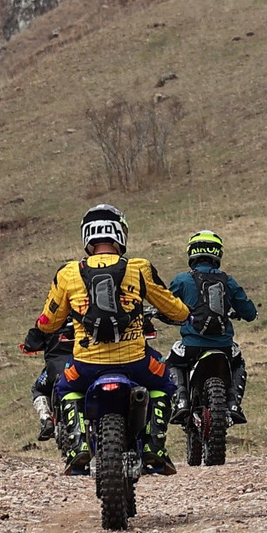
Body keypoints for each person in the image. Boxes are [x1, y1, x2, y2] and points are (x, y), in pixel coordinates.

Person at [21, 203, 192, 477]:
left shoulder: (68, 273)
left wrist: (38, 331)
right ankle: (153, 446)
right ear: (120, 235)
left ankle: (77, 448)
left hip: (86, 365)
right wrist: (184, 314)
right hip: (137, 362)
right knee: (165, 383)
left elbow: (49, 320)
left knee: (65, 388)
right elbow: (174, 308)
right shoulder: (139, 269)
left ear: (87, 237)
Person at [166, 230, 257, 425]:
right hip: (224, 346)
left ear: (192, 253)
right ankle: (234, 404)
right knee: (238, 363)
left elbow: (166, 305)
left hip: (191, 346)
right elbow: (249, 312)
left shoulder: (182, 280)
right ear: (218, 254)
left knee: (172, 363)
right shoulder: (228, 280)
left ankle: (181, 401)